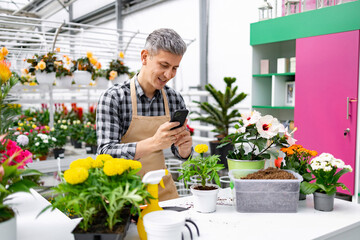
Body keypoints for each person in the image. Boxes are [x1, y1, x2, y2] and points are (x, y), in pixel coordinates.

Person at [96, 28, 193, 201]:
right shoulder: (114, 98)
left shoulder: (174, 99)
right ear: (144, 57)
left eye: (175, 68)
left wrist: (184, 150)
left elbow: (177, 150)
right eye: (164, 65)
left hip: (161, 192)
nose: (169, 74)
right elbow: (105, 154)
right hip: (121, 194)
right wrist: (154, 143)